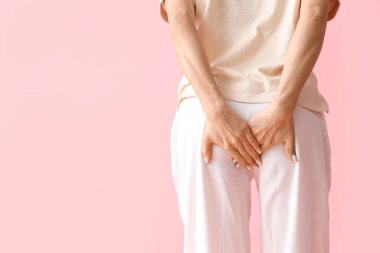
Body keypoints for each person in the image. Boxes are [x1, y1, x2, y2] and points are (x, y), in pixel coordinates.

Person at [159, 0, 340, 252]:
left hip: (206, 115)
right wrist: (282, 108)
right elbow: (315, 13)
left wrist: (216, 112)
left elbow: (180, 19)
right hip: (291, 113)